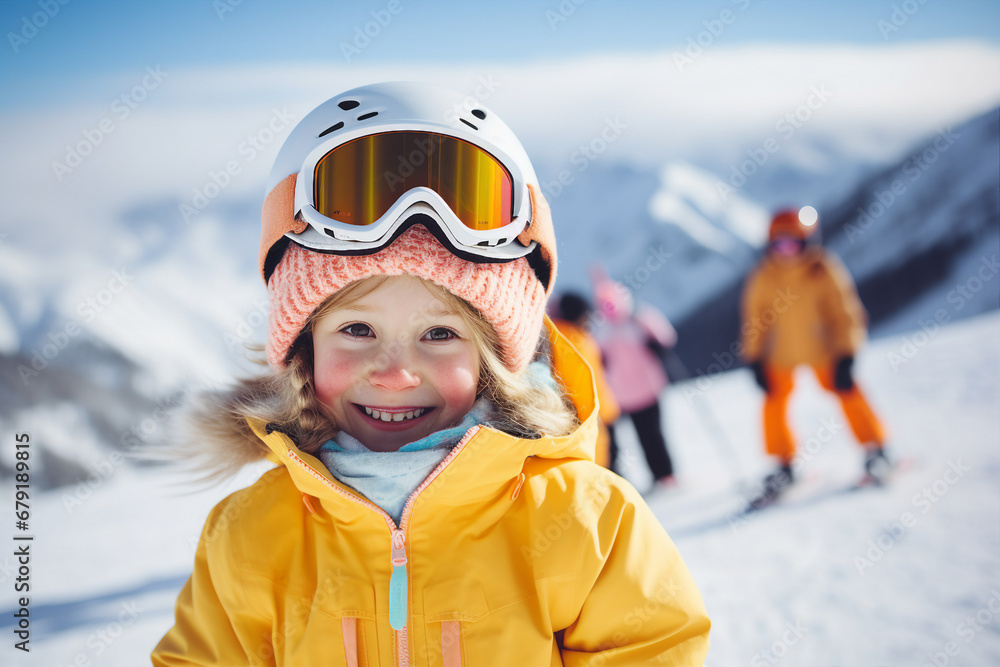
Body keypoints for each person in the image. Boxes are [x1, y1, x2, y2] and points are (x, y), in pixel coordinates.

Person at [151, 82, 709, 666]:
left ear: (493, 363)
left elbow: (653, 647)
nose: (395, 374)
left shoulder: (584, 521)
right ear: (302, 352)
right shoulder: (249, 535)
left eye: (440, 335)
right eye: (357, 330)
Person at [741, 206, 888, 505]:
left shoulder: (824, 269)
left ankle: (876, 450)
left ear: (807, 242)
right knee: (773, 403)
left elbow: (845, 312)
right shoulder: (764, 276)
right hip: (781, 353)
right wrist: (754, 358)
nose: (785, 251)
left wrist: (846, 353)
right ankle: (783, 466)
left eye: (792, 243)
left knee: (848, 392)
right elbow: (755, 319)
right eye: (778, 244)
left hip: (825, 350)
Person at [592, 274, 679, 487]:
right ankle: (663, 474)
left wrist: (656, 345)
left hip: (643, 388)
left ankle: (664, 474)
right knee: (648, 433)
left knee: (652, 433)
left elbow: (665, 338)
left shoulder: (637, 320)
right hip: (629, 392)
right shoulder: (605, 330)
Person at [549, 292, 621, 469]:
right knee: (607, 467)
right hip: (593, 416)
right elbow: (579, 384)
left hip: (595, 413)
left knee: (609, 464)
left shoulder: (563, 336)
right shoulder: (572, 340)